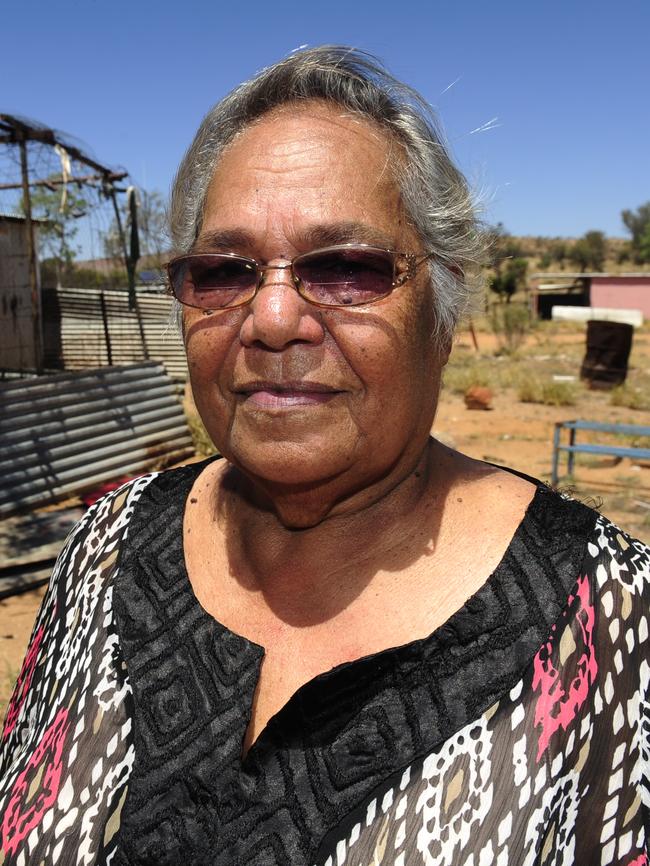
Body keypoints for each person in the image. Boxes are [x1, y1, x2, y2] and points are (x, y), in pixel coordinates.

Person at [1, 46, 649, 866]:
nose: (271, 318)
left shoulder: (611, 616)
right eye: (223, 271)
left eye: (346, 268)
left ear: (441, 313)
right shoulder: (104, 550)